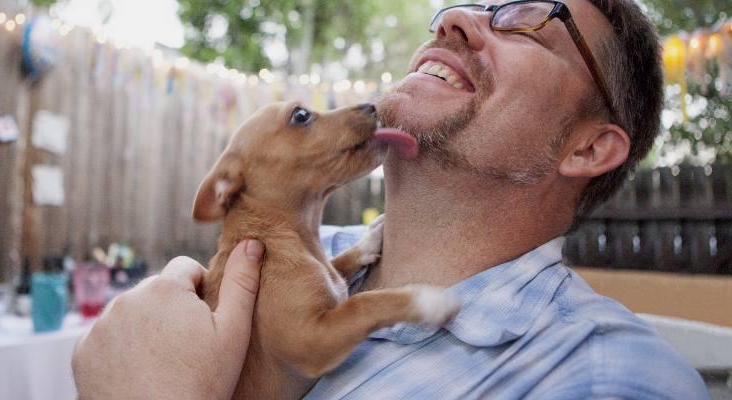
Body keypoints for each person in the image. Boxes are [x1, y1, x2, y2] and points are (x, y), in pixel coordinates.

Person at [72, 0, 711, 398]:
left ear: (589, 148)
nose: (454, 19)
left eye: (527, 17)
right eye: (470, 5)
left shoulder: (607, 378)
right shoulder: (290, 260)